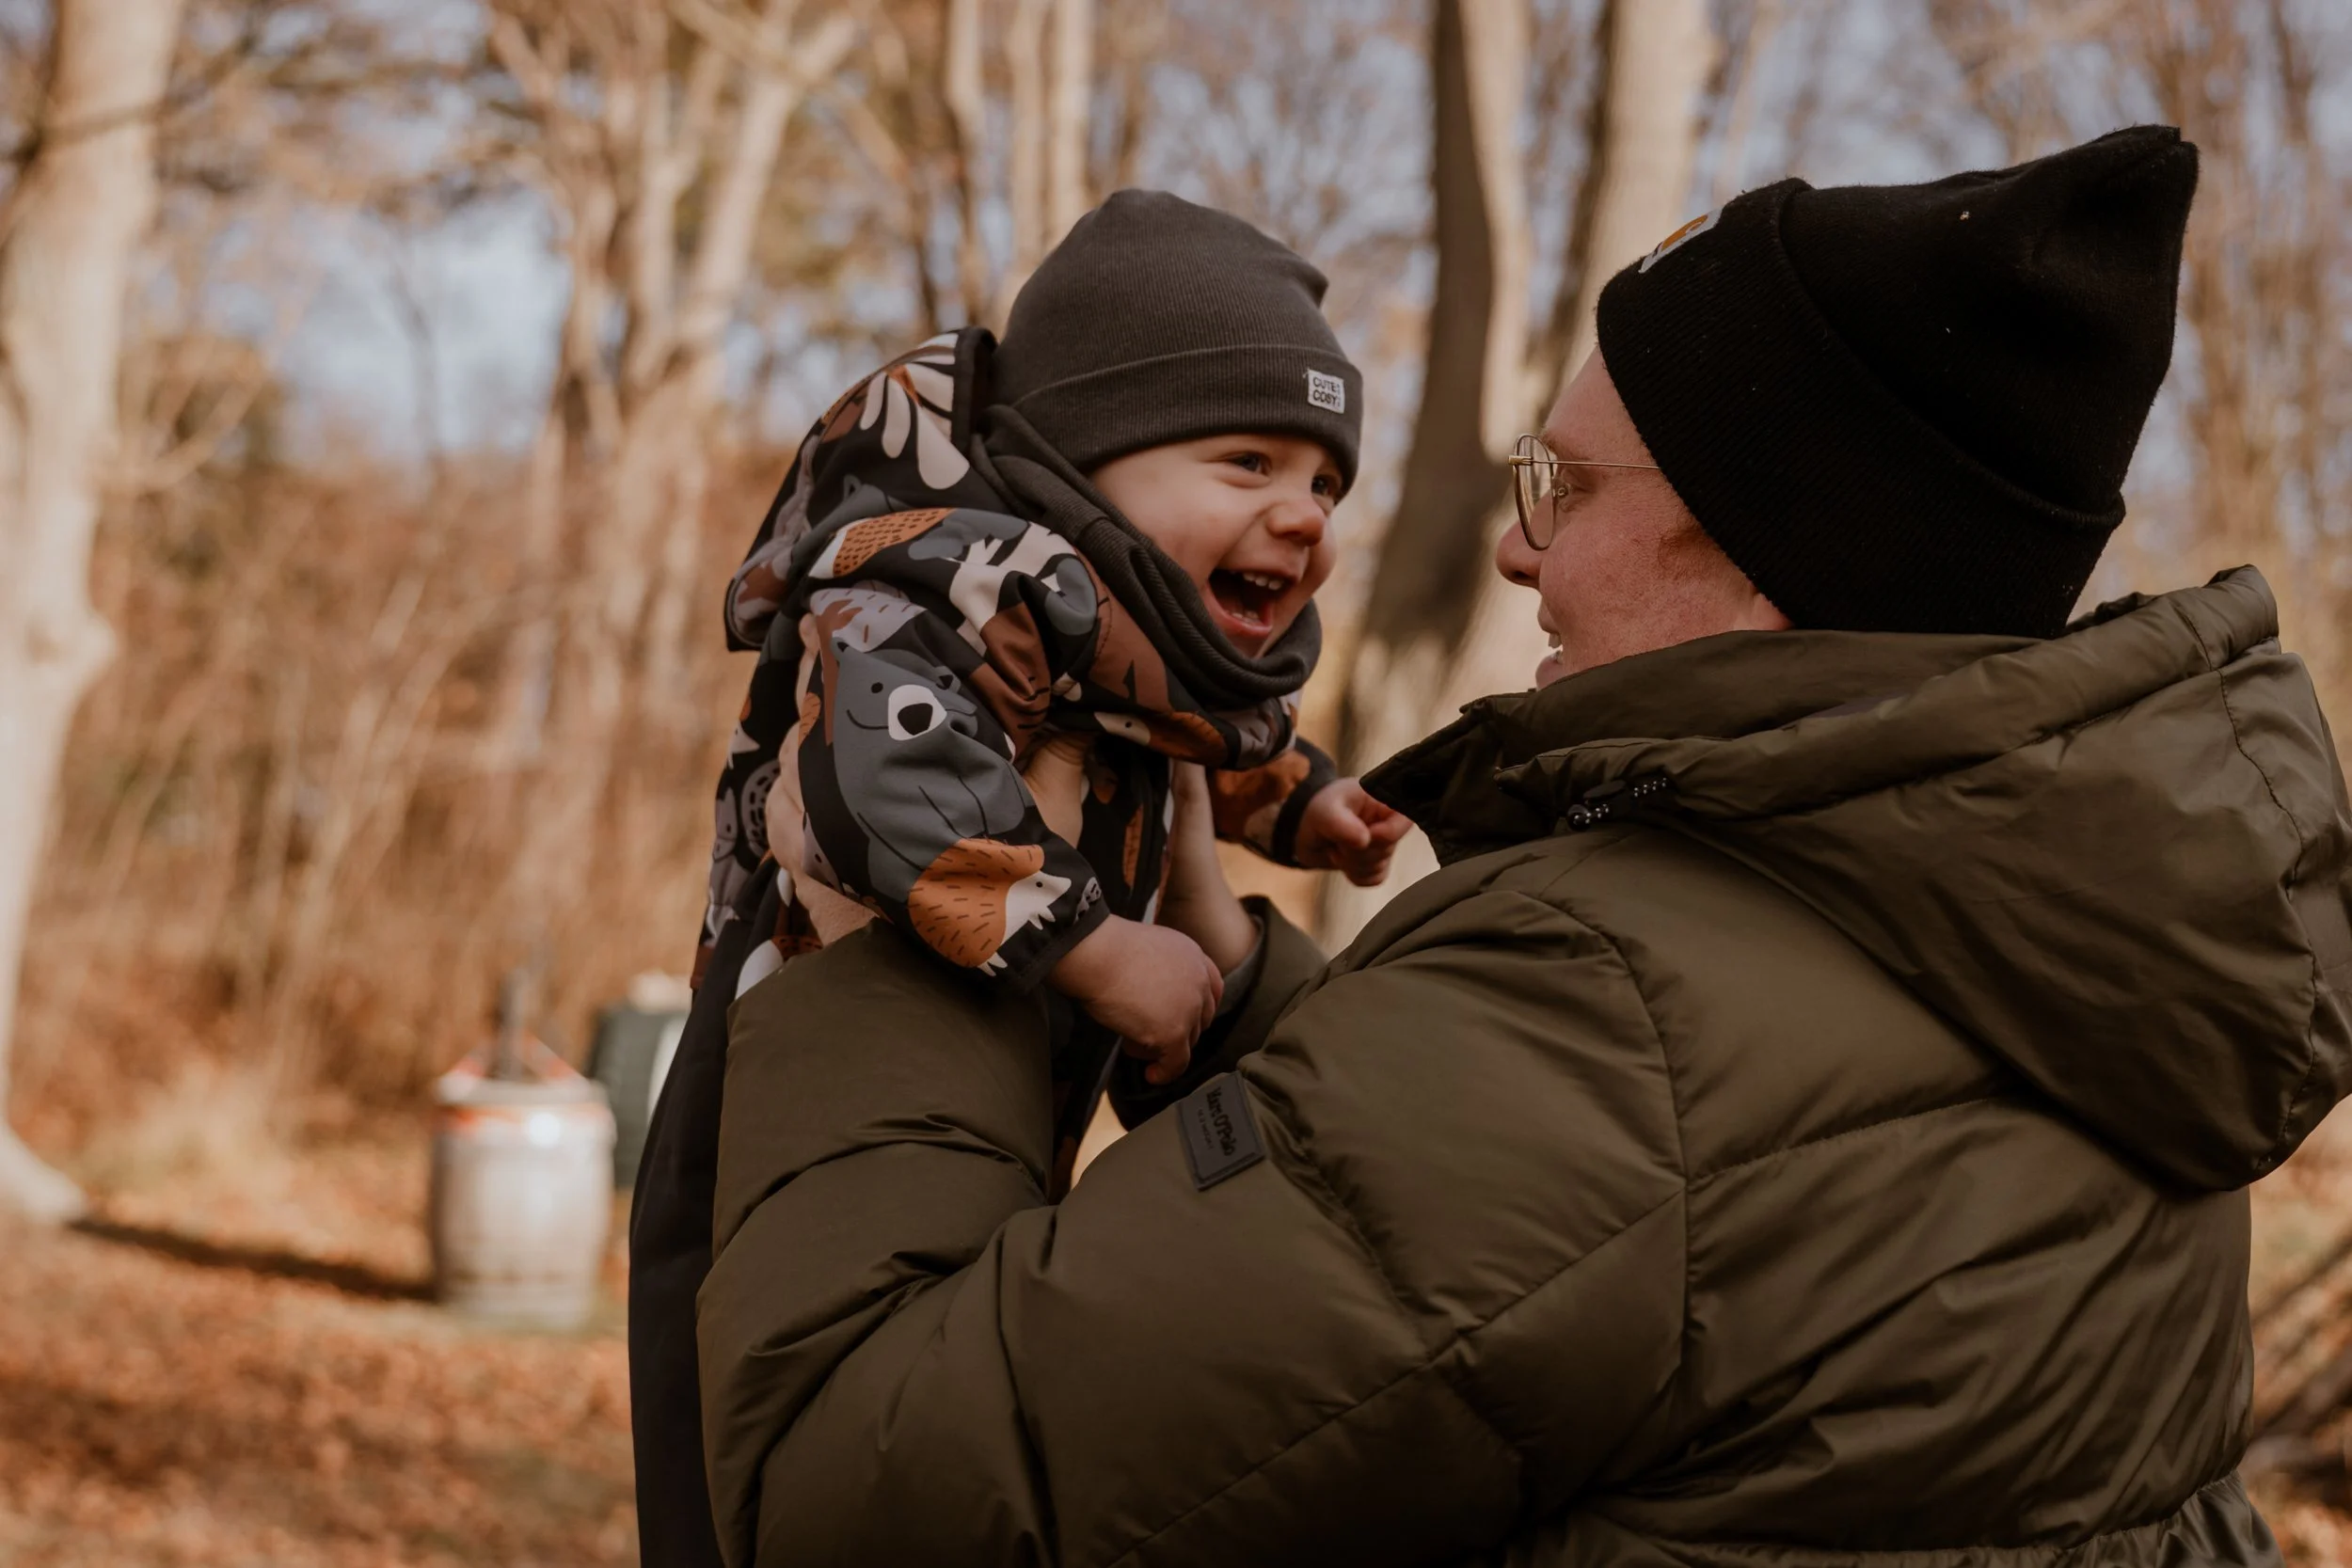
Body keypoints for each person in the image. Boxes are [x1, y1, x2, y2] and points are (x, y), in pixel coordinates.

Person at [697, 125, 2352, 1567]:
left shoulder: (1615, 1019)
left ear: (1768, 545)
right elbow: (1625, 1256)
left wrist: (904, 950)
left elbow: (863, 1492)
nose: (1509, 543)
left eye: (1561, 480)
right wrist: (1248, 999)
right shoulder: (2079, 947)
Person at [629, 191, 1405, 1568]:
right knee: (725, 1476)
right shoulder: (940, 590)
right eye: (1248, 463)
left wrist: (1308, 802)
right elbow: (881, 784)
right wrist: (1098, 949)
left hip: (983, 1104)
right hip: (780, 1106)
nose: (1305, 517)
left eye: (1326, 482)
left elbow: (1204, 744)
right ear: (1084, 458)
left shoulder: (1121, 649)